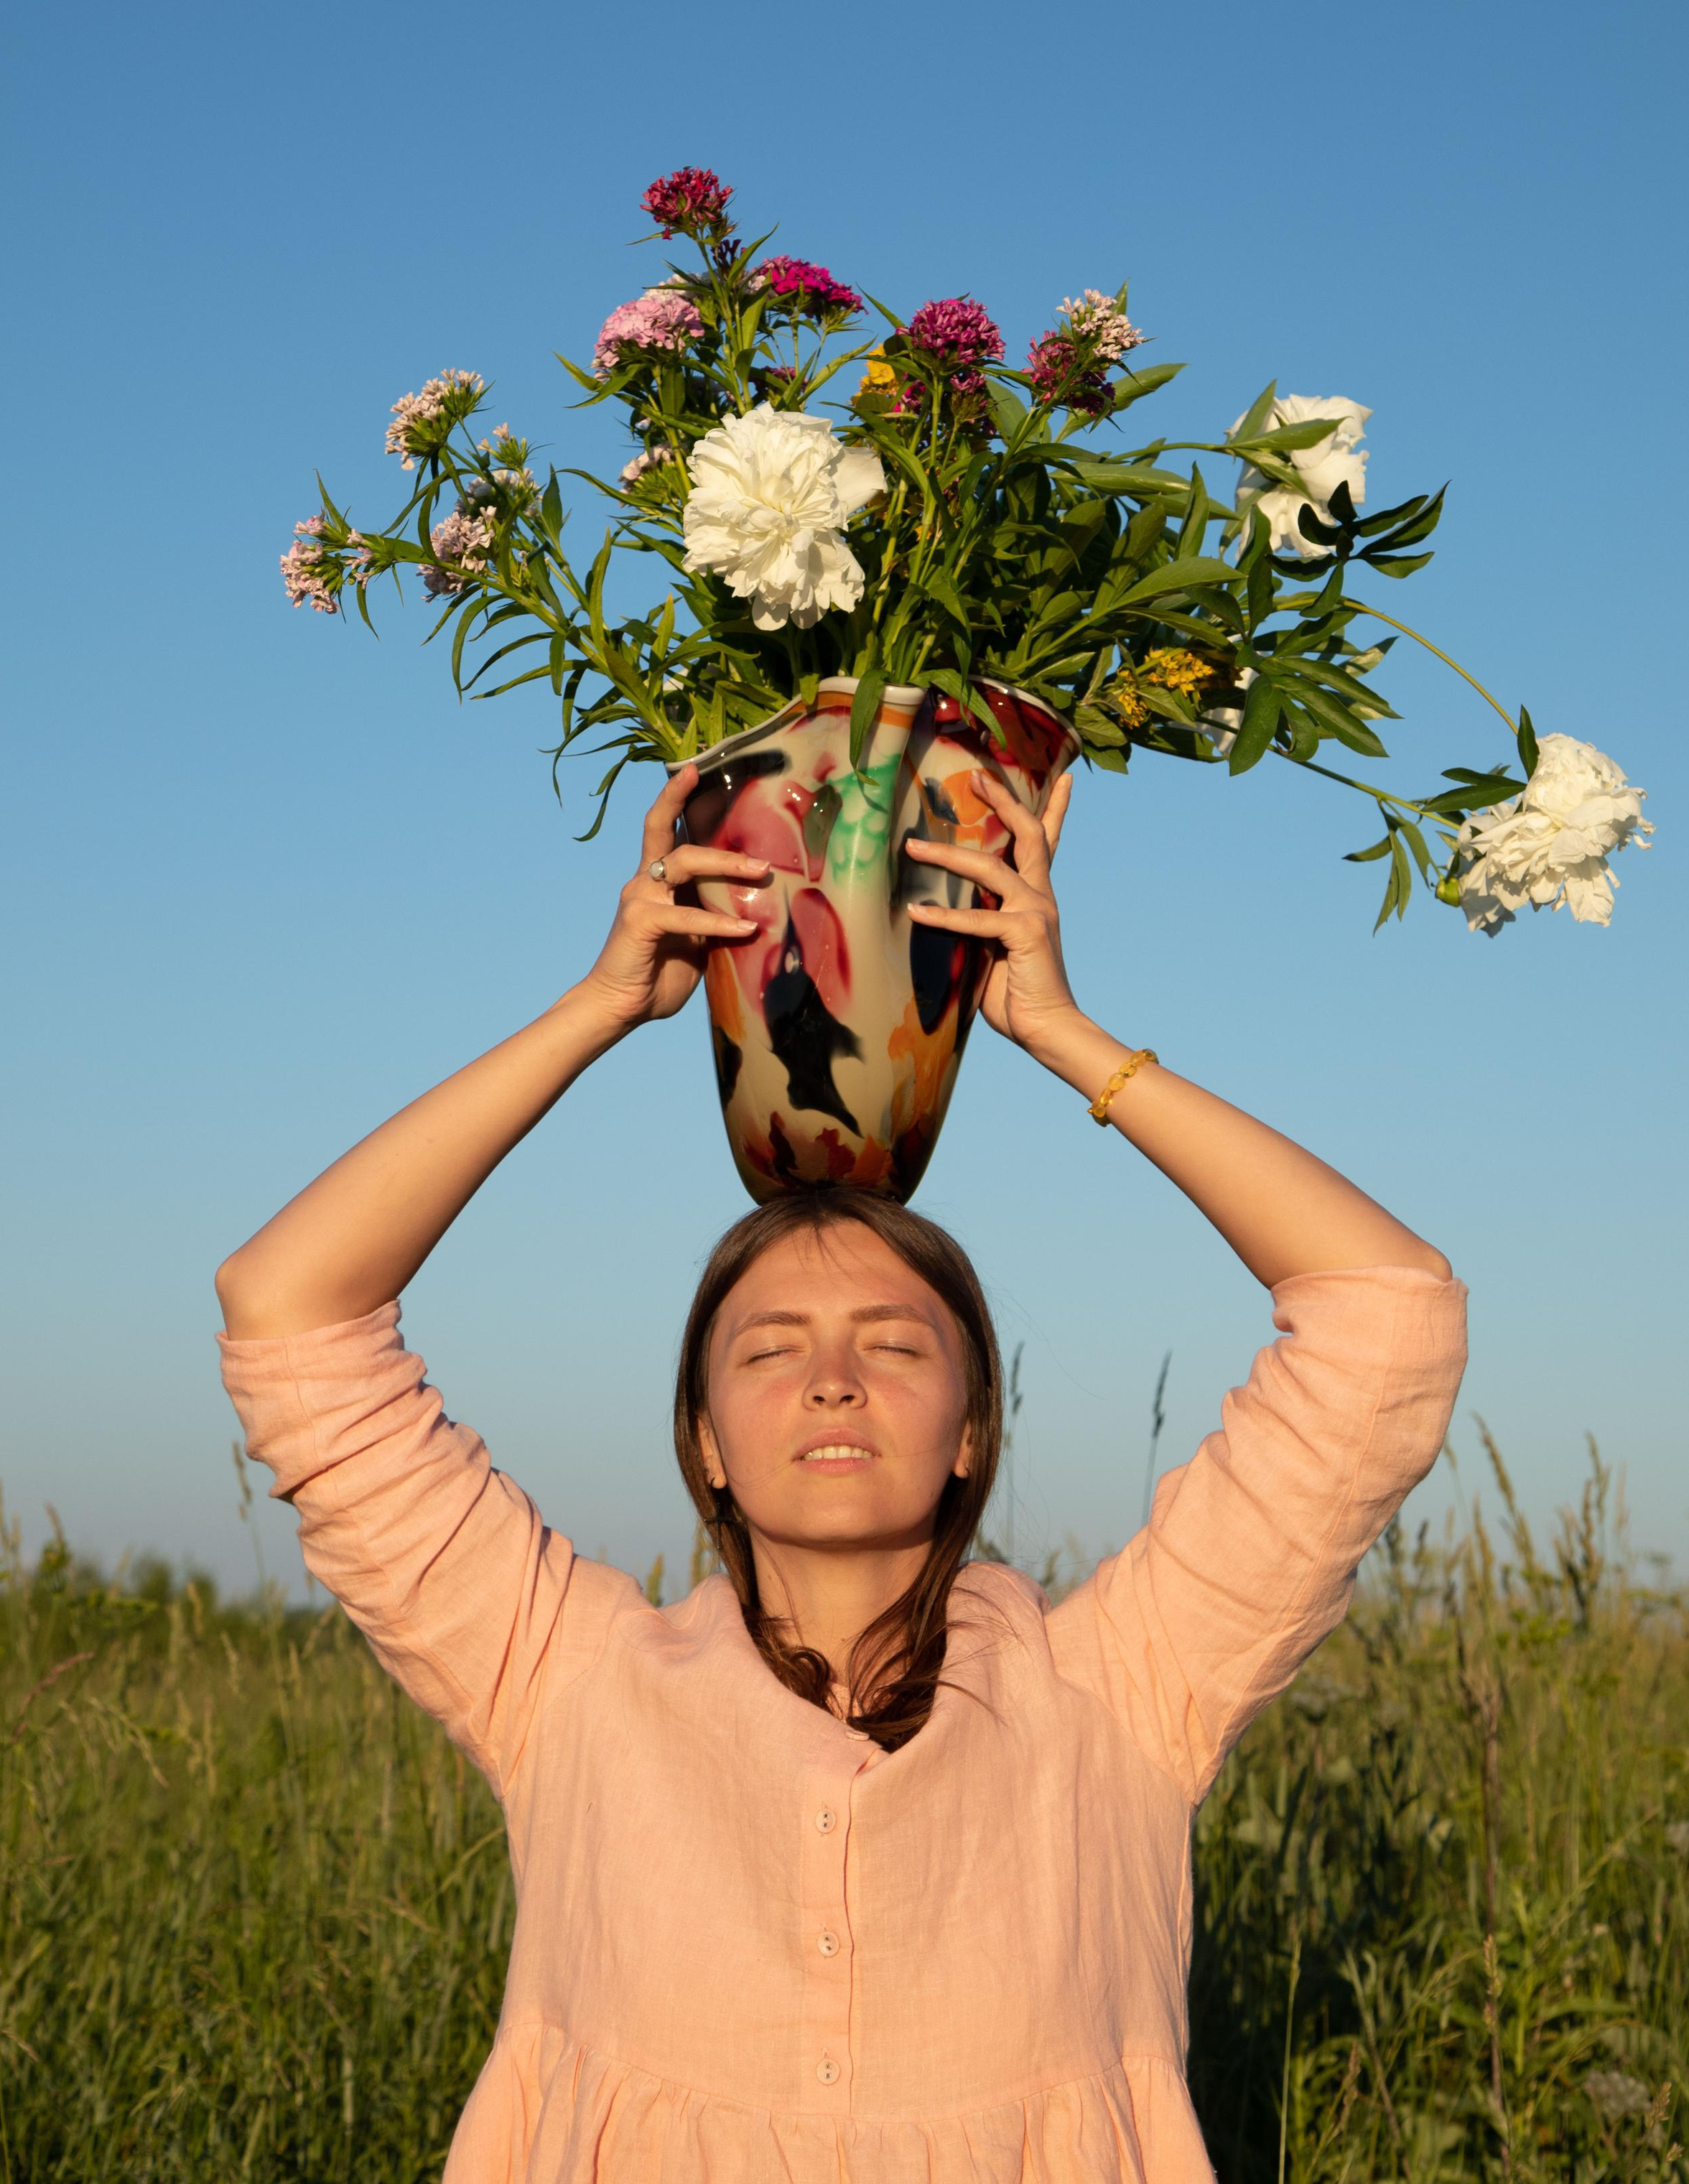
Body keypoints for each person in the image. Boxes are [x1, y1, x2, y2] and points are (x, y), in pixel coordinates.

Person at [217, 760, 1466, 2183]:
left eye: (892, 1344)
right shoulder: (564, 1683)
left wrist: (1062, 1037)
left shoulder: (1122, 1696)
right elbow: (290, 1310)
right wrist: (600, 1009)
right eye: (765, 1353)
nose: (829, 1378)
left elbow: (1386, 1308)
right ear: (702, 1439)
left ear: (972, 1432)